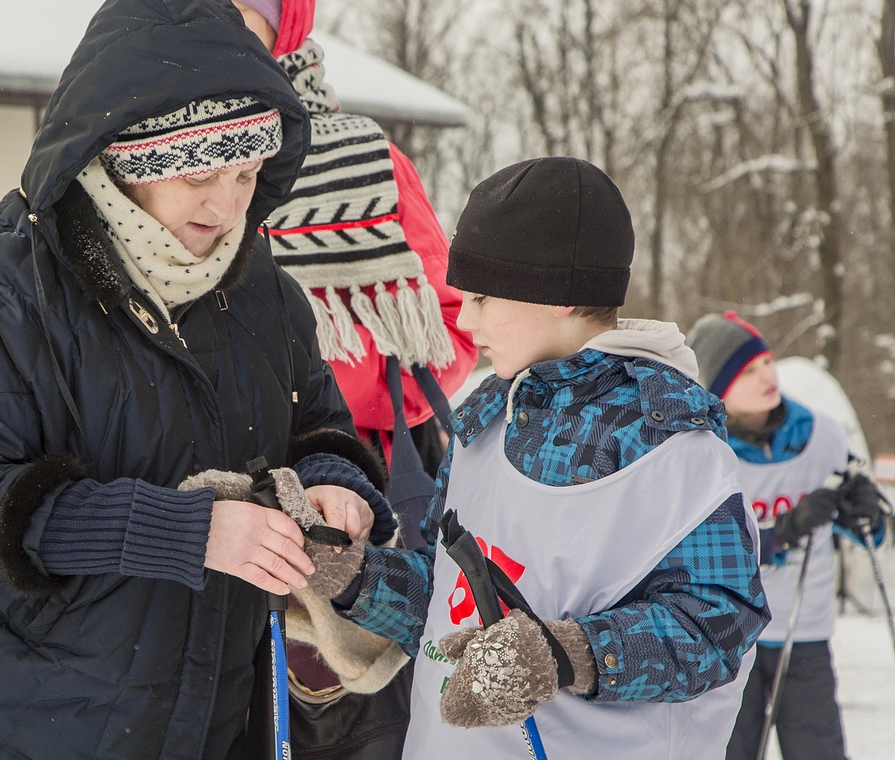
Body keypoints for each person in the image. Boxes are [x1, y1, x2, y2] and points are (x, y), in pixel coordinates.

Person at [0, 1, 397, 758]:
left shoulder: (261, 289)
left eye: (248, 172)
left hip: (202, 717)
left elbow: (318, 420)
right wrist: (185, 531)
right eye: (201, 176)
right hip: (14, 721)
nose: (229, 203)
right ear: (125, 157)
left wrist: (331, 478)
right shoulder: (0, 284)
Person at [324, 157, 771, 758]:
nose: (467, 317)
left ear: (559, 295)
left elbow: (718, 626)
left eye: (482, 296)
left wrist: (563, 656)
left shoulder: (667, 439)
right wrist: (342, 573)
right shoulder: (485, 419)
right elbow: (445, 604)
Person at [231, 0, 477, 476]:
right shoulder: (145, 155)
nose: (212, 16)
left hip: (353, 481)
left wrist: (320, 387)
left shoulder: (371, 161)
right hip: (204, 496)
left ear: (285, 24)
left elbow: (454, 326)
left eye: (236, 6)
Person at [686, 312, 887, 760]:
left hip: (804, 636)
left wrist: (865, 516)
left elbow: (869, 532)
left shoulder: (823, 436)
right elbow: (704, 555)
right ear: (719, 387)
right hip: (731, 641)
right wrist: (783, 531)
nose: (767, 376)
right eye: (748, 370)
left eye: (767, 362)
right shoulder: (704, 453)